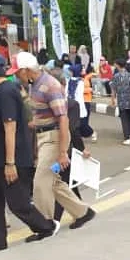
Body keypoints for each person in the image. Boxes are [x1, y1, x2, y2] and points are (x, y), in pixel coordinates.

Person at [0, 51, 60, 254]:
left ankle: (47, 227)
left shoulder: (6, 92)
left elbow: (10, 128)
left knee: (18, 203)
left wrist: (10, 163)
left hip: (9, 160)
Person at [12, 51, 96, 229]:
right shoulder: (33, 84)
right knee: (53, 180)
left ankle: (45, 224)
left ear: (26, 70)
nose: (16, 76)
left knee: (41, 182)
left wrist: (63, 152)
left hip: (53, 139)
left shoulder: (50, 85)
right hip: (43, 138)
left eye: (17, 72)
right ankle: (83, 212)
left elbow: (63, 119)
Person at [47, 69, 90, 222]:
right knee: (65, 182)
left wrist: (81, 149)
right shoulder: (47, 104)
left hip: (65, 151)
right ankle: (83, 211)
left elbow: (73, 129)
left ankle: (56, 220)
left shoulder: (71, 104)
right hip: (51, 149)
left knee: (60, 181)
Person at [111, 59, 130, 144]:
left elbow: (113, 89)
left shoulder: (116, 76)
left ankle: (127, 138)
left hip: (122, 100)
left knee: (124, 119)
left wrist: (113, 100)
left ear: (118, 65)